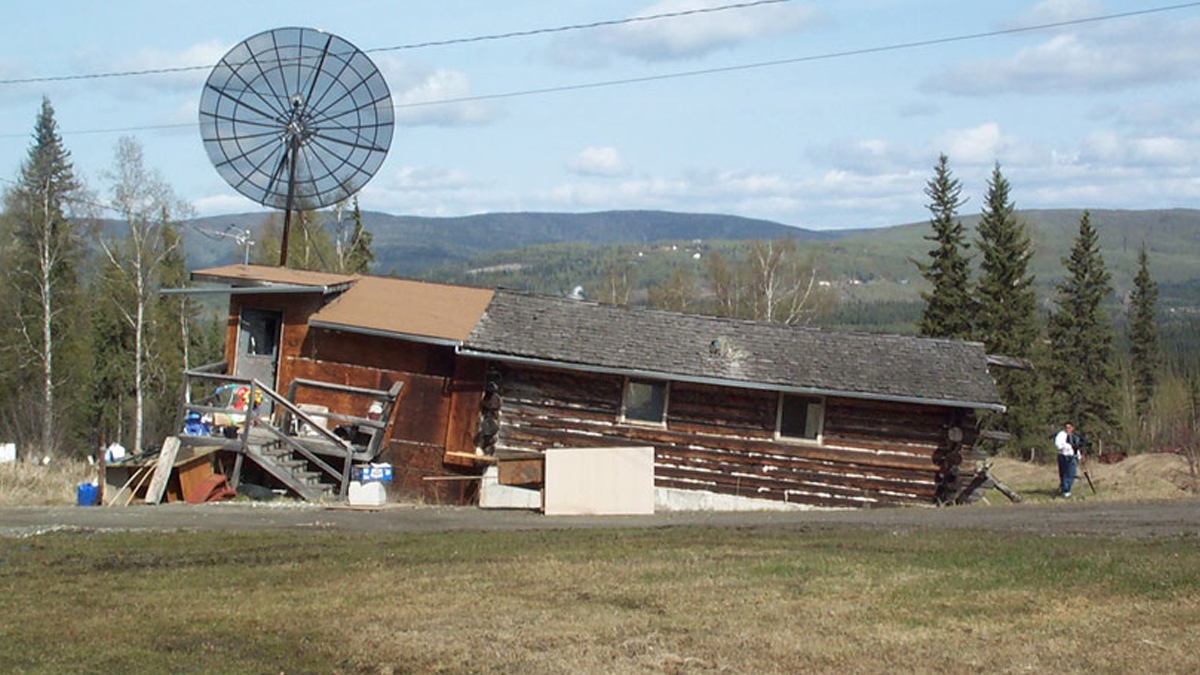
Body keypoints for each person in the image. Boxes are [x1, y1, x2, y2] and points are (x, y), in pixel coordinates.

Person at [1054, 422, 1077, 498]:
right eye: (1067, 427)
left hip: (1072, 456)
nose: (1068, 429)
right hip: (1063, 456)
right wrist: (1067, 446)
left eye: (1070, 427)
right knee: (1065, 473)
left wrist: (1078, 455)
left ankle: (1067, 488)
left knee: (1071, 473)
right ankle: (1065, 490)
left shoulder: (1073, 436)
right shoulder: (1061, 435)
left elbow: (1076, 446)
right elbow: (1058, 445)